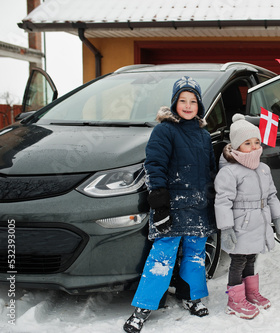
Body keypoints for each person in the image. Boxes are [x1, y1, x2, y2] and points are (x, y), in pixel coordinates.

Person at [123, 76, 217, 333]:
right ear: (175, 103)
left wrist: (213, 202)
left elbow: (210, 170)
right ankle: (143, 307)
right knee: (162, 256)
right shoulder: (164, 130)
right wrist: (160, 205)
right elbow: (154, 167)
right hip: (173, 206)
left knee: (196, 254)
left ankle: (192, 295)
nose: (188, 106)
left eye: (193, 101)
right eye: (182, 101)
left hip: (198, 205)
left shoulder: (203, 134)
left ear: (200, 105)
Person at [214, 114, 280, 319]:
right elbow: (223, 202)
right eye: (247, 143)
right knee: (238, 261)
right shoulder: (230, 172)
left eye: (256, 142)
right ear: (236, 147)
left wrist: (277, 218)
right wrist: (226, 228)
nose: (254, 147)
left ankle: (250, 292)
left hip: (259, 222)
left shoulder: (263, 169)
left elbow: (271, 195)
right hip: (240, 224)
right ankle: (234, 300)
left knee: (252, 257)